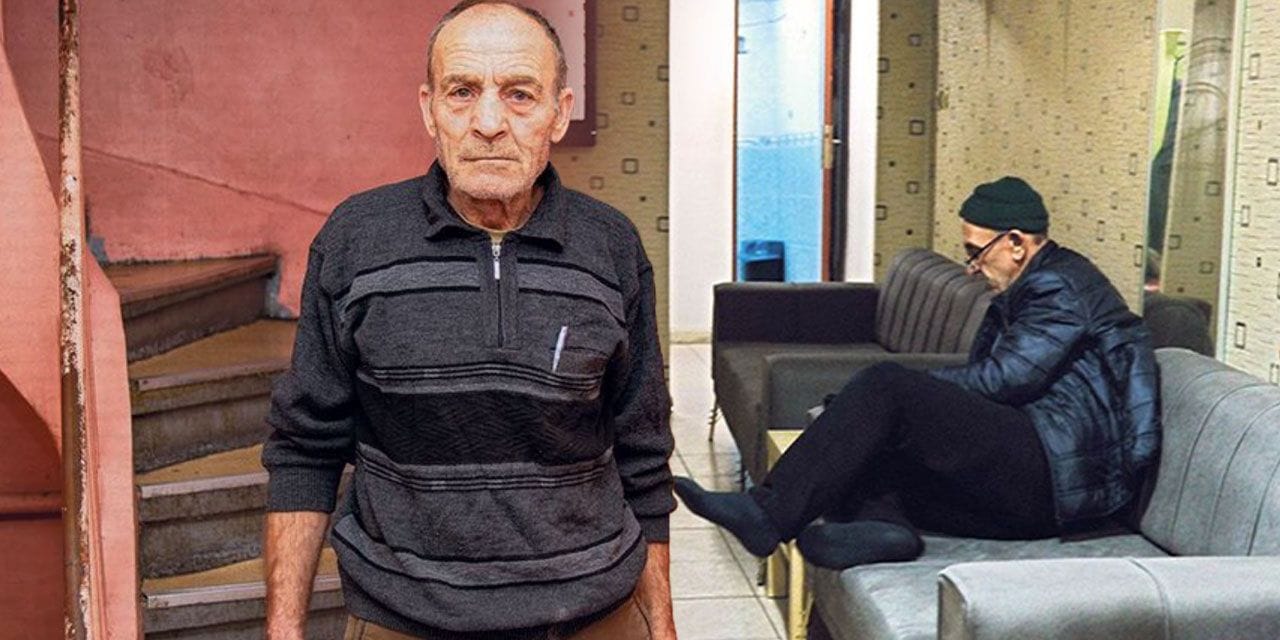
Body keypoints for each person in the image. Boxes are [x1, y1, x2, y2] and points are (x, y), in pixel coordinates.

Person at [260, 2, 676, 638]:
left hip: (595, 615)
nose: (488, 123)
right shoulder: (355, 240)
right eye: (462, 92)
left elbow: (643, 453)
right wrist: (284, 631)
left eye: (519, 94)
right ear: (430, 109)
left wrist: (663, 625)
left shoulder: (611, 247)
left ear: (559, 111)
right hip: (404, 620)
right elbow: (303, 449)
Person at [677, 177, 1160, 570]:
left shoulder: (1058, 286)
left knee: (887, 385)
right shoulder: (1032, 285)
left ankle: (767, 514)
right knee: (869, 443)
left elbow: (1007, 379)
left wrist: (899, 398)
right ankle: (886, 529)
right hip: (1037, 485)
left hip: (1054, 477)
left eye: (976, 252)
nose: (971, 268)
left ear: (1015, 243)